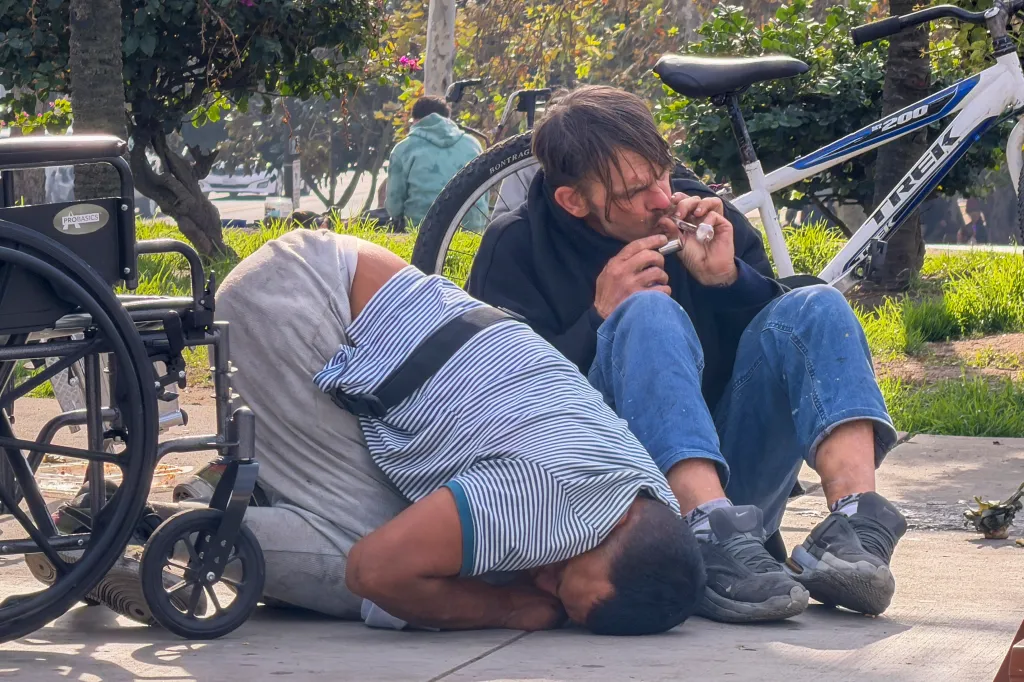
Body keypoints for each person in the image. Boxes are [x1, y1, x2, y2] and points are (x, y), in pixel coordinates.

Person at [38, 228, 704, 635]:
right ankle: (120, 533)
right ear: (620, 526)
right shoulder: (555, 497)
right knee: (363, 562)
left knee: (437, 552)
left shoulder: (642, 485)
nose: (549, 588)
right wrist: (505, 610)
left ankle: (228, 497)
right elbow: (374, 571)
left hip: (330, 281)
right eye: (568, 584)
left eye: (561, 599)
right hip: (296, 309)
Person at [466, 85, 909, 625]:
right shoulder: (515, 247)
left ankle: (854, 530)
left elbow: (784, 353)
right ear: (573, 201)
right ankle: (706, 529)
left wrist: (730, 281)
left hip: (739, 502)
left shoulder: (702, 214)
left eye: (662, 174)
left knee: (816, 304)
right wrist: (597, 319)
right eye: (634, 191)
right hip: (608, 504)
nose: (661, 198)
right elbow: (498, 405)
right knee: (648, 312)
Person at [384, 96, 486, 231]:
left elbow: (394, 206)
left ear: (415, 120)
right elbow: (485, 191)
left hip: (423, 231)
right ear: (448, 118)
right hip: (473, 229)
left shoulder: (403, 149)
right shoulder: (473, 144)